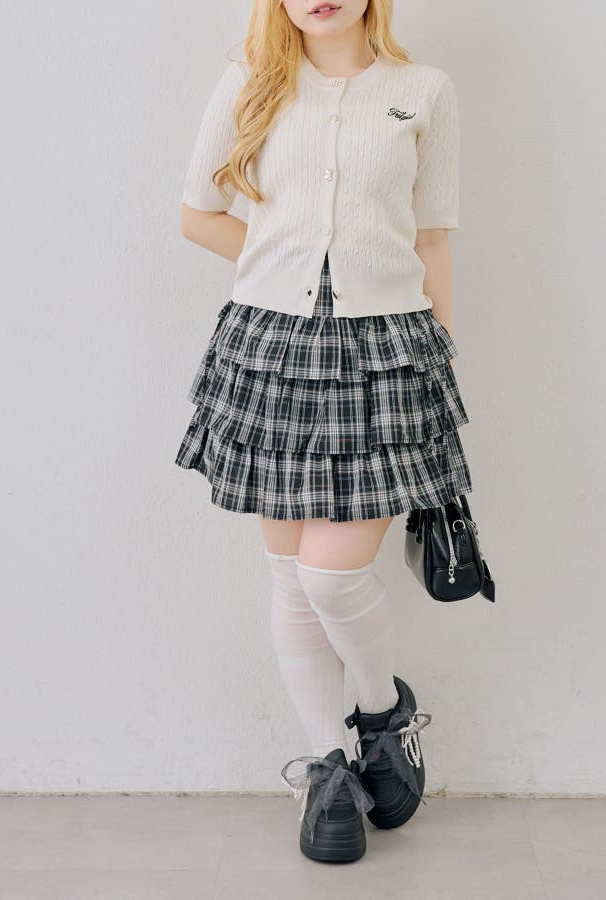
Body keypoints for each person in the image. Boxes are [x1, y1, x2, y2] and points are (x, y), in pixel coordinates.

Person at [176, 0, 471, 863]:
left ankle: (382, 714)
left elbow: (433, 235)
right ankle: (330, 770)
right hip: (272, 344)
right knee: (292, 578)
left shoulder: (424, 90)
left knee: (331, 577)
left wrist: (441, 352)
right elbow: (198, 213)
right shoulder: (249, 81)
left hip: (388, 351)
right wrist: (288, 254)